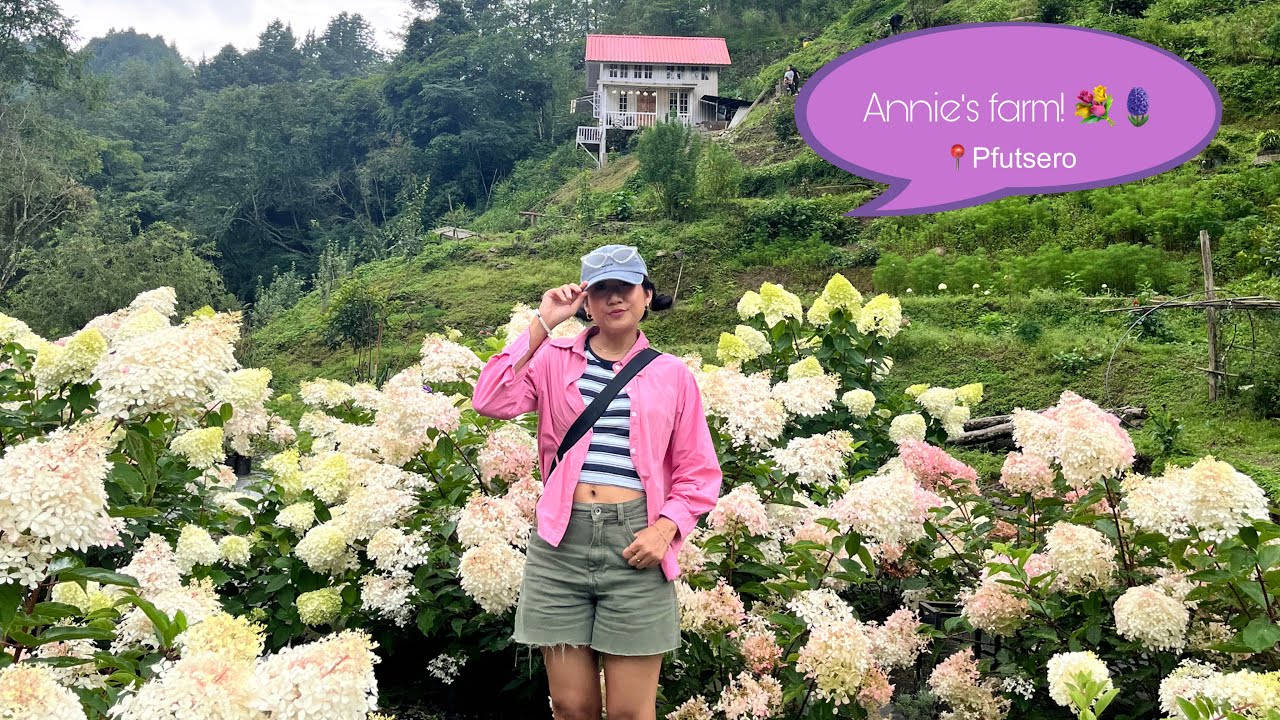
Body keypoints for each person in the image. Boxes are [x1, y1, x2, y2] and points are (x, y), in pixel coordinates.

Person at [471, 244, 723, 720]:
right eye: (601, 289)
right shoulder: (553, 359)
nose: (614, 298)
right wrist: (544, 322)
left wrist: (665, 528)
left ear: (646, 295)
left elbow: (699, 471)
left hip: (636, 543)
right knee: (571, 706)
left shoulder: (672, 374)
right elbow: (489, 399)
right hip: (560, 543)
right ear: (586, 301)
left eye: (625, 287)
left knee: (629, 712)